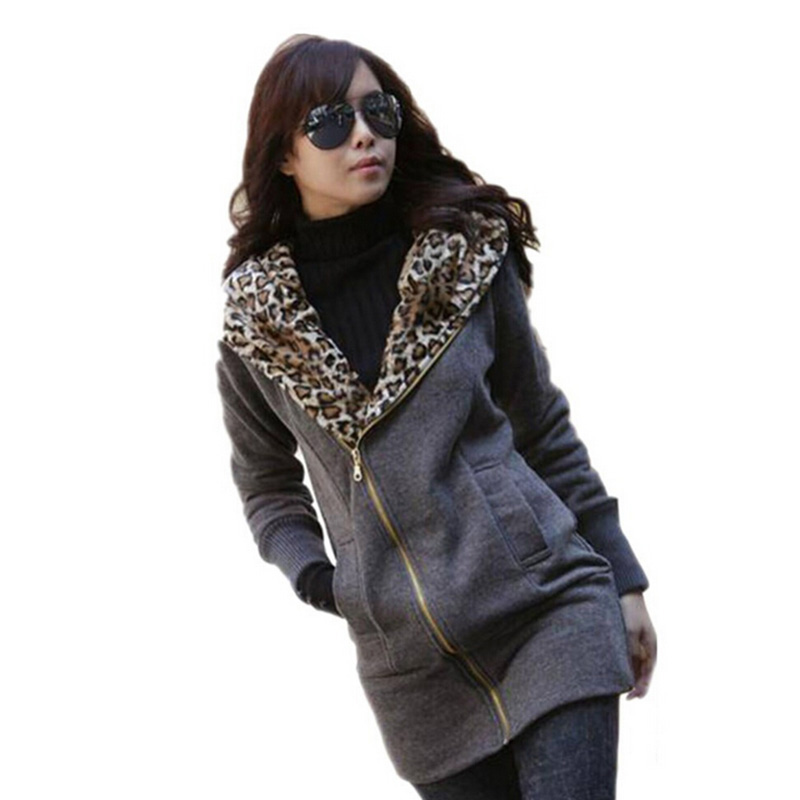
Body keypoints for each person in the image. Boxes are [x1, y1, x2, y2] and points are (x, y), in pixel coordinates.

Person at [216, 33, 657, 799]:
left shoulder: (462, 259)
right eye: (329, 122)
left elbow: (541, 427)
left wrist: (622, 576)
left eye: (378, 112)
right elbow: (267, 488)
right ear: (284, 154)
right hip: (414, 677)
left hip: (547, 609)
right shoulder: (259, 330)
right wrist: (324, 579)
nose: (363, 135)